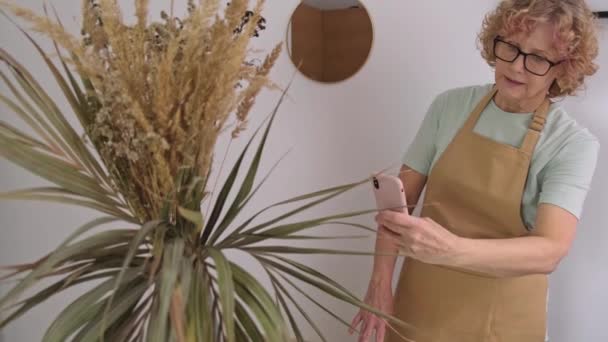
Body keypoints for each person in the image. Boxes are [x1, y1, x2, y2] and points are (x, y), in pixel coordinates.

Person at [348, 0, 601, 341]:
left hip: (502, 321)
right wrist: (380, 285)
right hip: (419, 308)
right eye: (510, 47)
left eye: (538, 58)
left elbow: (550, 249)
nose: (516, 66)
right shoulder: (449, 107)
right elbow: (398, 206)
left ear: (563, 68)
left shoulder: (571, 143)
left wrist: (451, 249)